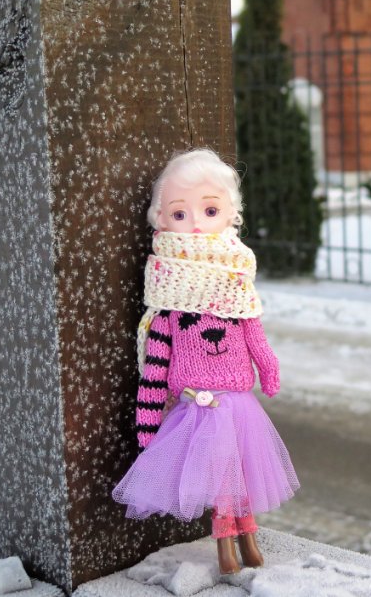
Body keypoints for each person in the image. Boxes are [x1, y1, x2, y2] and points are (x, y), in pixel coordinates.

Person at [112, 149, 299, 574]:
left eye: (210, 209)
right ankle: (225, 550)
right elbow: (155, 367)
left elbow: (254, 333)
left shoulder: (236, 286)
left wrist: (267, 368)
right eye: (180, 213)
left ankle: (248, 539)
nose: (195, 222)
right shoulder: (167, 303)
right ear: (160, 220)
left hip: (239, 406)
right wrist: (147, 420)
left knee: (244, 480)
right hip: (196, 409)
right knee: (221, 486)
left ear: (231, 214)